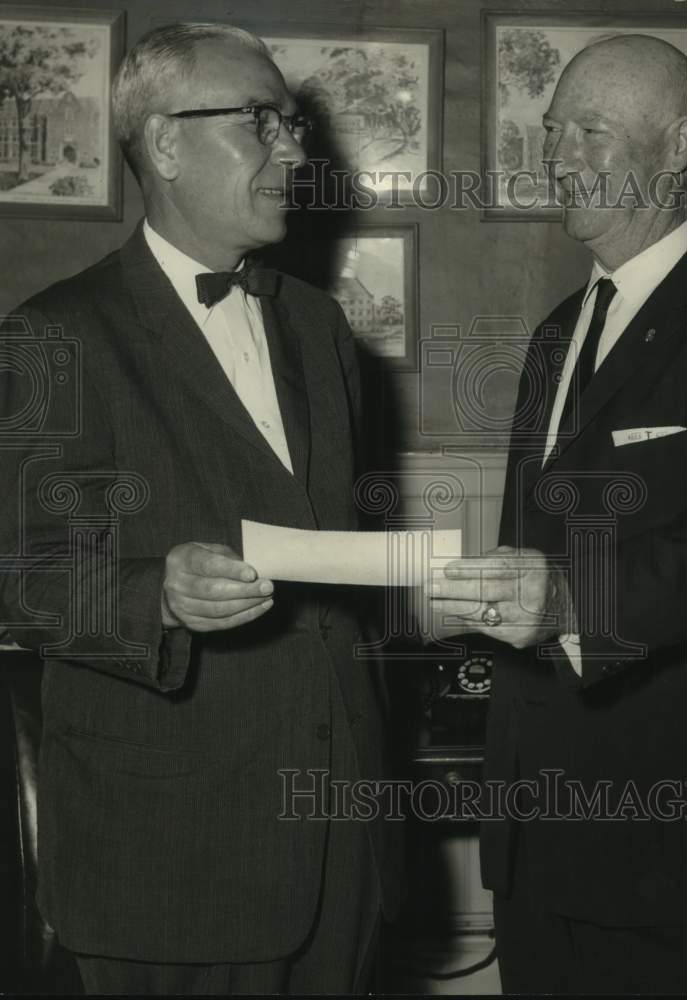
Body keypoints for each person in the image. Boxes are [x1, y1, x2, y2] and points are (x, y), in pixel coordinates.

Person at [0, 22, 400, 995]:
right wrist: (156, 596)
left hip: (341, 835)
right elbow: (20, 578)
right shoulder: (52, 335)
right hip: (167, 857)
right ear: (167, 145)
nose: (295, 148)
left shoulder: (319, 327)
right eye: (261, 122)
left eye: (294, 122)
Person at [429, 34, 687, 994]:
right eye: (550, 129)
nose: (556, 156)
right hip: (537, 846)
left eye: (591, 131)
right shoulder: (556, 334)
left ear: (679, 144)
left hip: (682, 854)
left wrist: (570, 598)